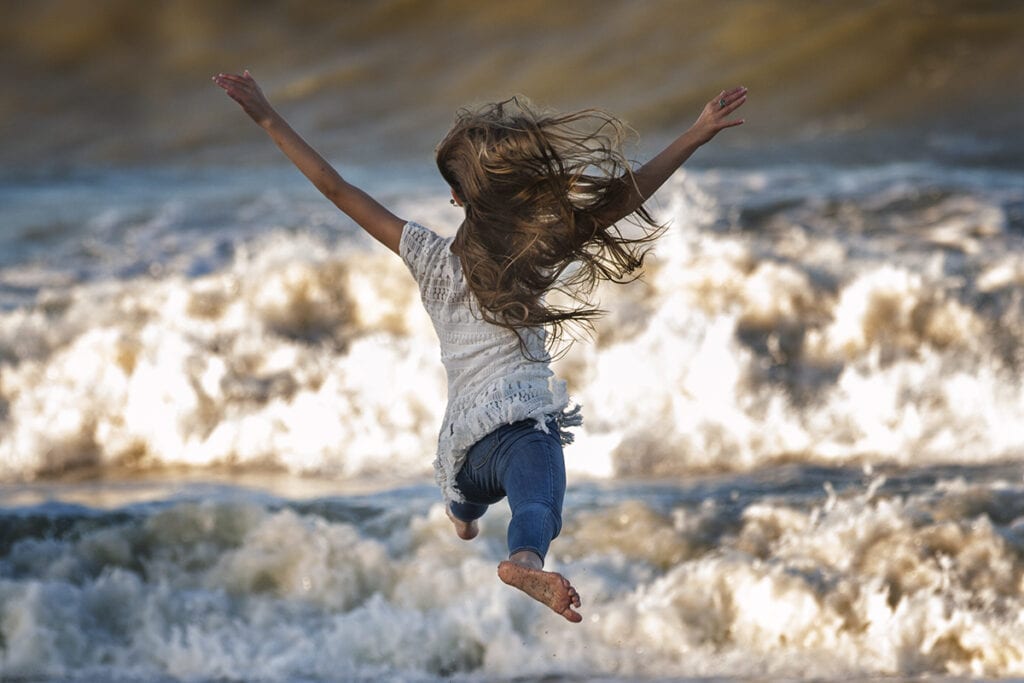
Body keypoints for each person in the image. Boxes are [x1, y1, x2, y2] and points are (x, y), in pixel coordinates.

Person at [213, 71, 747, 623]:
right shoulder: (532, 253)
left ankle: (462, 515)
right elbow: (618, 201)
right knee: (537, 497)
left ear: (457, 196)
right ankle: (523, 559)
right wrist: (694, 134)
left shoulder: (426, 255)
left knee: (465, 499)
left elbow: (338, 189)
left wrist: (267, 116)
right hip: (517, 437)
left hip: (463, 452)